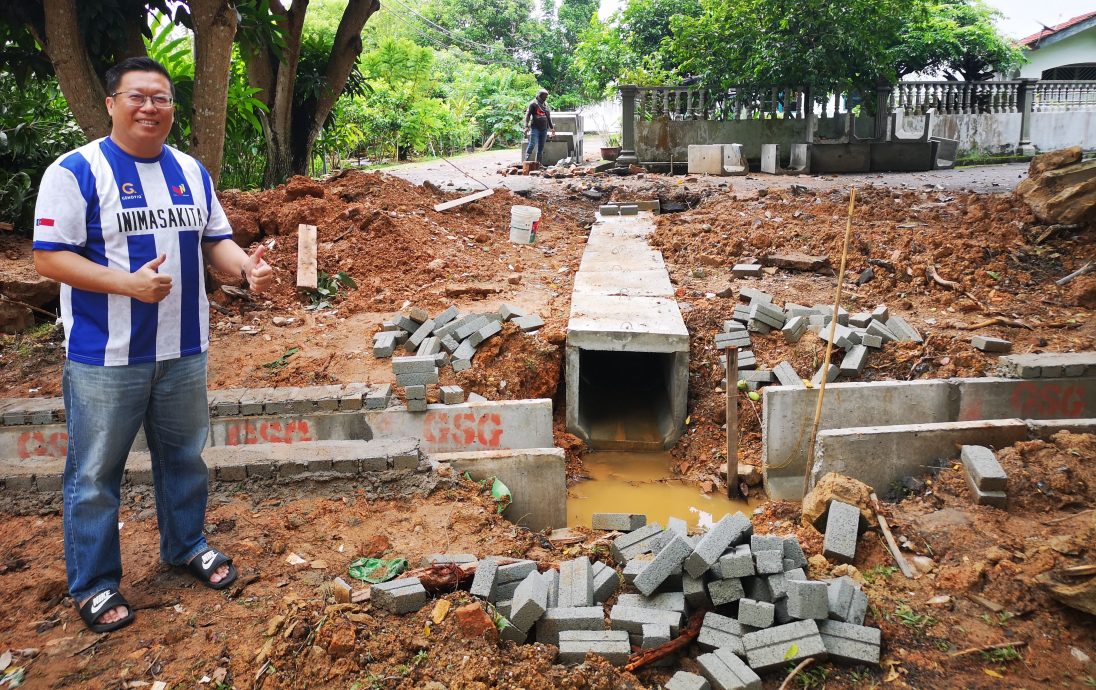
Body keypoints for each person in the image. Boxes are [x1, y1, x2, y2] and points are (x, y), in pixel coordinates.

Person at [32, 57, 273, 634]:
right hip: (104, 356)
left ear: (172, 109)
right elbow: (48, 256)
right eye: (137, 96)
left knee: (184, 458)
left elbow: (215, 241)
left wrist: (244, 269)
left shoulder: (191, 171)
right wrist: (126, 284)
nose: (149, 107)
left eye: (161, 98)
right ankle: (94, 583)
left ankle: (186, 545)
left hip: (184, 349)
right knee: (94, 474)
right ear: (112, 103)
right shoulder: (75, 171)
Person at [523, 89, 555, 164]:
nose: (546, 98)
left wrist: (552, 128)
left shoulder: (546, 105)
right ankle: (526, 161)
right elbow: (528, 115)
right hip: (535, 128)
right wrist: (526, 126)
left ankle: (538, 163)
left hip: (544, 129)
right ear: (540, 96)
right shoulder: (533, 104)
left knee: (541, 147)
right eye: (545, 97)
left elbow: (548, 117)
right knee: (532, 143)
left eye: (546, 97)